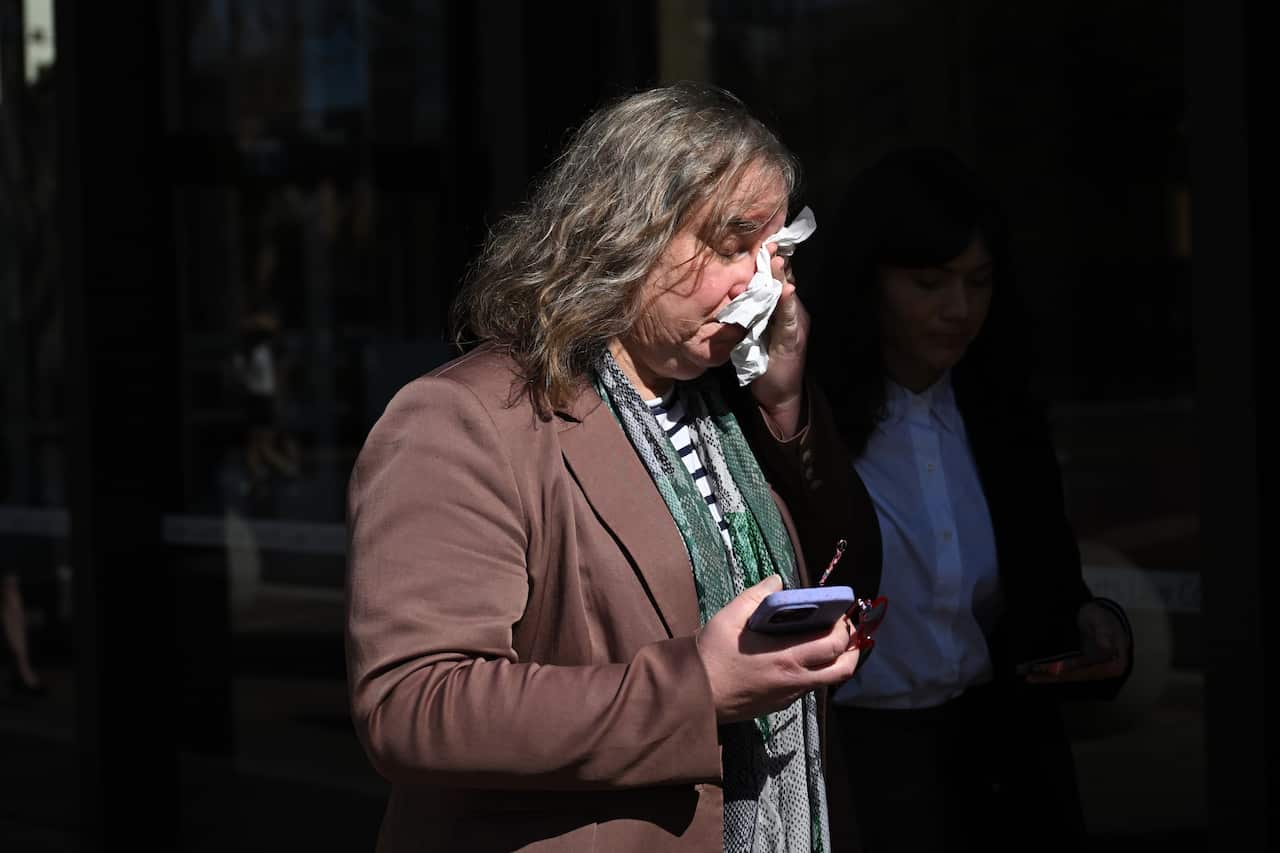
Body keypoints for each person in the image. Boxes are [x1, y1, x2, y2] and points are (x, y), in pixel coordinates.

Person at [345, 83, 870, 852]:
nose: (755, 284)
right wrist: (698, 686)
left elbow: (855, 561)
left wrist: (785, 396)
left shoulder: (730, 401)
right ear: (627, 229)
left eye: (774, 252)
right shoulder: (466, 418)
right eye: (730, 245)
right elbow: (413, 704)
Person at [809, 148, 1133, 852]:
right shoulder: (808, 419)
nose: (959, 309)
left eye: (978, 282)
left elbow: (1047, 588)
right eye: (928, 282)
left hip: (995, 764)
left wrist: (1093, 626)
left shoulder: (1001, 416)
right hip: (853, 766)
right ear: (870, 281)